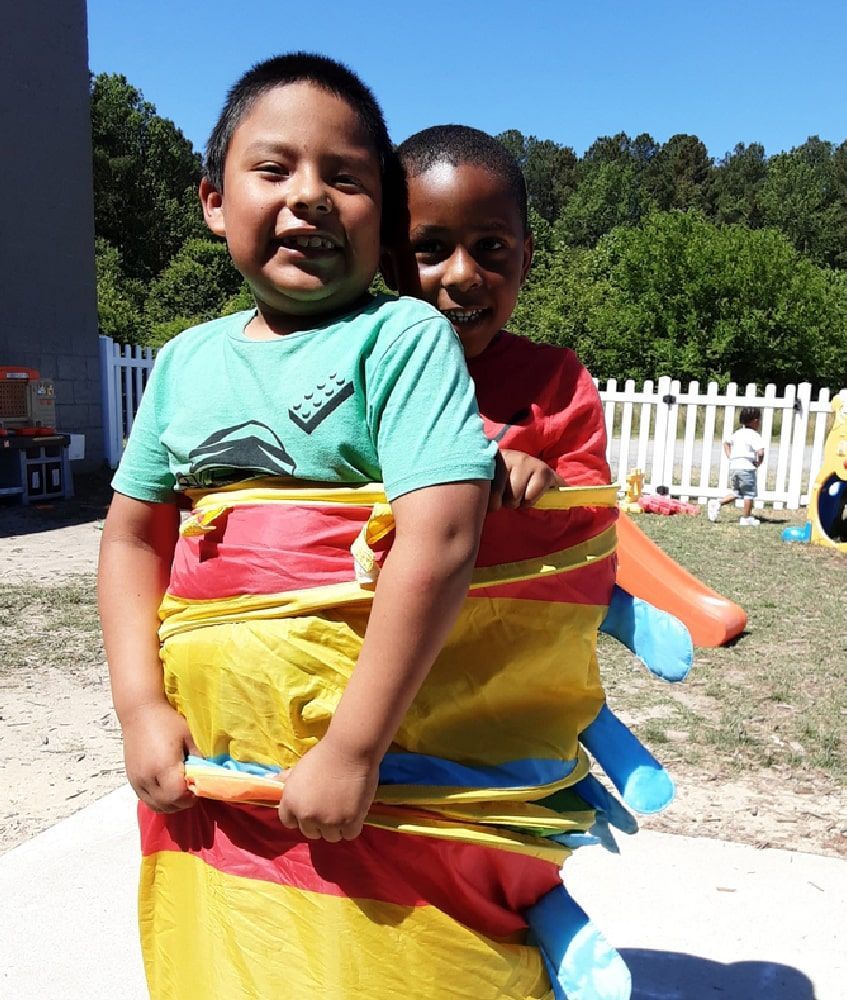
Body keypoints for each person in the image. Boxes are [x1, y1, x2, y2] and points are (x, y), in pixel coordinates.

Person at [98, 54, 508, 998]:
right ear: (214, 202)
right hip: (213, 761)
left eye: (347, 178)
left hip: (364, 753)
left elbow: (443, 537)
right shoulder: (185, 362)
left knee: (372, 961)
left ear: (383, 219)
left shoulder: (402, 339)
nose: (312, 196)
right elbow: (131, 538)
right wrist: (140, 707)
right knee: (234, 953)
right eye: (275, 169)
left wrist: (355, 746)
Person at [387, 124, 611, 502]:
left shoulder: (558, 384)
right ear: (388, 263)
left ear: (524, 260)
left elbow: (593, 508)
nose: (462, 275)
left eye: (490, 245)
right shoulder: (359, 371)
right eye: (431, 247)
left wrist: (547, 485)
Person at [707, 406, 765, 525]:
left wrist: (730, 455)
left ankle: (717, 503)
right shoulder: (754, 435)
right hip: (747, 468)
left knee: (737, 492)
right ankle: (746, 518)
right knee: (749, 494)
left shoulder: (737, 433)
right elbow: (760, 452)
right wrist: (759, 462)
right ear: (755, 421)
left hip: (734, 467)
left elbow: (726, 443)